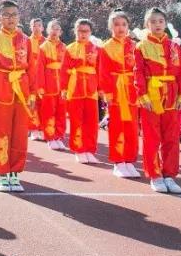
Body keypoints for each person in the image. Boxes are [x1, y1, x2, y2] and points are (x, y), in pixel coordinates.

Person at [0, 0, 40, 193]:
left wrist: (32, 92)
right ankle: (1, 172)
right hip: (1, 89)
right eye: (6, 14)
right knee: (1, 130)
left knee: (19, 132)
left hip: (22, 90)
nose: (11, 18)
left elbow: (32, 68)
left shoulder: (26, 40)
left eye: (14, 14)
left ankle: (14, 172)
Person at [134, 7, 181, 194]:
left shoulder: (175, 47)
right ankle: (155, 175)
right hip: (152, 95)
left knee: (172, 137)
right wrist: (142, 95)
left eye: (160, 21)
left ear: (165, 23)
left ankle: (169, 175)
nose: (157, 25)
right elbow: (138, 73)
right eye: (152, 21)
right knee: (152, 137)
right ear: (146, 25)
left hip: (172, 96)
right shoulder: (141, 47)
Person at [100, 10, 140, 177]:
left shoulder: (135, 46)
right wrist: (107, 93)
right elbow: (103, 72)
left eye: (123, 24)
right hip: (116, 90)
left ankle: (129, 160)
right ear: (111, 27)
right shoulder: (106, 47)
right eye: (116, 24)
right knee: (117, 126)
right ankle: (118, 161)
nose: (120, 28)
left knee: (132, 126)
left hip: (132, 89)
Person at [63, 19, 101, 163]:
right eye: (80, 30)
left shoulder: (97, 49)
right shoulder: (70, 49)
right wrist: (64, 88)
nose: (83, 34)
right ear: (75, 31)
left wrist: (102, 89)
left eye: (86, 31)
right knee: (76, 120)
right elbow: (64, 70)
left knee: (91, 121)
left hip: (91, 89)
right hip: (75, 88)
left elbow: (100, 70)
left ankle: (90, 149)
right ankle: (79, 149)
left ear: (90, 32)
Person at [38, 20, 70, 151]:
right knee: (49, 112)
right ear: (48, 30)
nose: (55, 31)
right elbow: (39, 68)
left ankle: (59, 136)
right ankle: (50, 137)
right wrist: (41, 86)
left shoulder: (64, 47)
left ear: (60, 31)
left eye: (57, 28)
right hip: (49, 83)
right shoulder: (43, 47)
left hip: (62, 84)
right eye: (52, 28)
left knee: (61, 112)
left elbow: (68, 66)